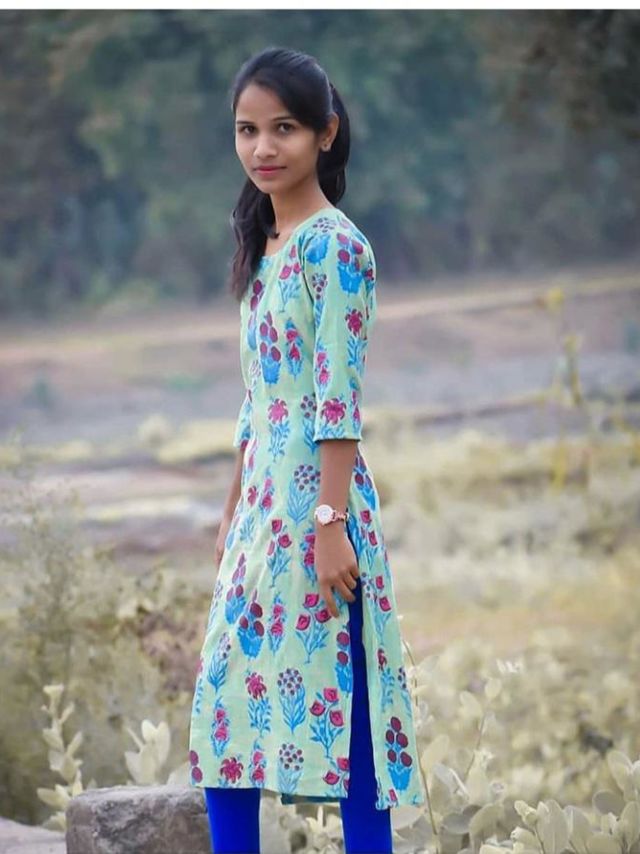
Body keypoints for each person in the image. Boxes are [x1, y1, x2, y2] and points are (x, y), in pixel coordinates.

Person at [188, 46, 426, 854]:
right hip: (260, 513)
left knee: (347, 715)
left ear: (325, 133)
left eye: (283, 128)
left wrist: (330, 524)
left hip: (318, 508)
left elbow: (337, 400)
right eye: (247, 130)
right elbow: (258, 398)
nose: (263, 148)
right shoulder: (265, 244)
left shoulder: (337, 248)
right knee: (225, 706)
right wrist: (231, 511)